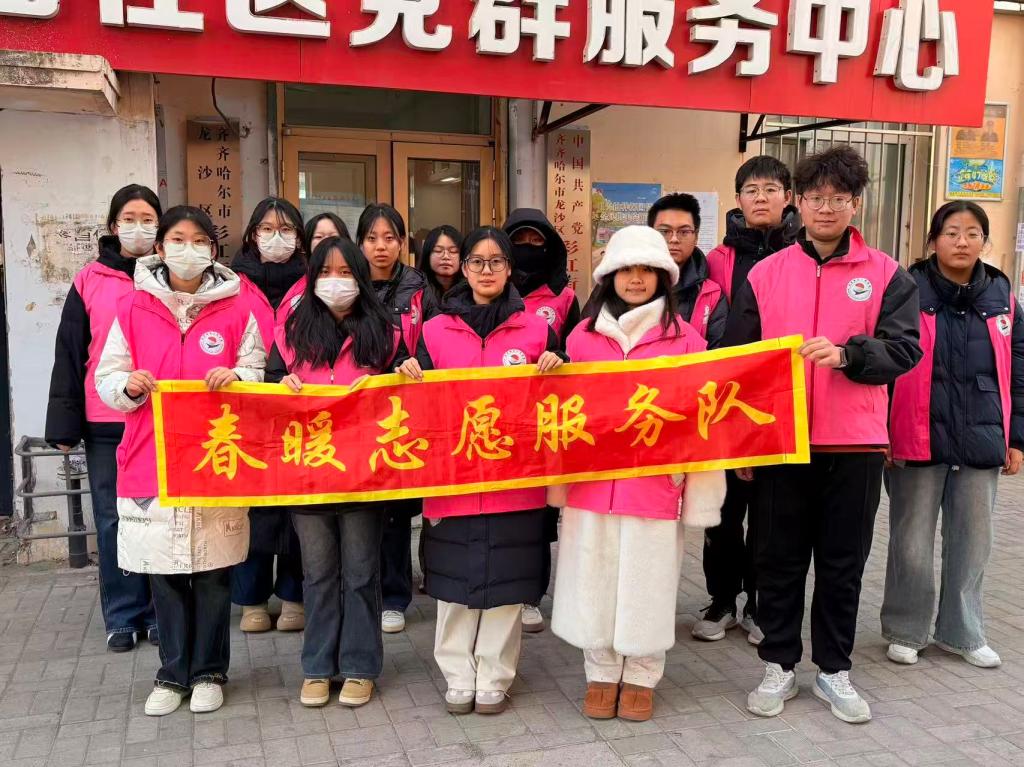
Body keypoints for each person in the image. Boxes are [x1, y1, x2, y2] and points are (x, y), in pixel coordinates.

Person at [724, 146, 921, 724]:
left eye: (838, 198)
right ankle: (778, 664)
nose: (826, 208)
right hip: (781, 443)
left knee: (842, 563)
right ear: (799, 203)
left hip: (855, 445)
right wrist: (743, 443)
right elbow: (739, 362)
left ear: (855, 203)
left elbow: (905, 349)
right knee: (777, 560)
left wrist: (849, 356)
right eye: (816, 198)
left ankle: (834, 669)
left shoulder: (887, 274)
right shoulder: (765, 273)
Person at [95, 206, 266, 716]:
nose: (187, 249)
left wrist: (238, 378)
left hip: (216, 455)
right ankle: (171, 674)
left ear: (212, 250)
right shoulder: (132, 306)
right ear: (160, 247)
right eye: (177, 239)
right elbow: (108, 376)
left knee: (212, 572)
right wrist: (128, 386)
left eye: (198, 240)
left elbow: (258, 369)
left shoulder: (238, 306)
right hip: (152, 456)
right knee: (163, 572)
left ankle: (210, 671)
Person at [551, 225, 725, 723]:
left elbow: (704, 421)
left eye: (647, 269)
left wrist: (697, 488)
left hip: (656, 487)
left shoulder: (687, 340)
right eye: (625, 269)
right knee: (593, 578)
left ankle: (643, 675)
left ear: (663, 277)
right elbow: (561, 413)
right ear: (609, 276)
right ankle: (601, 671)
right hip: (591, 486)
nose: (635, 279)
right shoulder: (580, 338)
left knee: (648, 582)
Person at [396, 226, 565, 715]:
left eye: (496, 261)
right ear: (464, 268)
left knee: (506, 584)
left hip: (516, 481)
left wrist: (560, 362)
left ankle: (494, 674)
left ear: (510, 269)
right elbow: (415, 408)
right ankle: (457, 673)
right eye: (476, 261)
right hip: (453, 480)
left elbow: (564, 399)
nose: (486, 270)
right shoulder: (434, 330)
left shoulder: (537, 330)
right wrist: (407, 375)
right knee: (453, 583)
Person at [882, 202, 1023, 669]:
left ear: (984, 240)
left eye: (972, 233)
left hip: (982, 436)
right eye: (951, 232)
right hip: (915, 432)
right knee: (910, 541)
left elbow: (1019, 368)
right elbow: (885, 363)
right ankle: (906, 629)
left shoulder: (1001, 293)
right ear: (933, 240)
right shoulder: (905, 288)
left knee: (973, 541)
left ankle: (962, 632)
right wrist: (880, 430)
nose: (962, 241)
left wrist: (1017, 438)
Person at [266, 236, 403, 709]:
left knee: (362, 573)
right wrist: (281, 385)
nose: (336, 282)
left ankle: (360, 666)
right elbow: (267, 389)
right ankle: (318, 666)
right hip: (308, 473)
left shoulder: (386, 333)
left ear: (361, 279)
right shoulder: (290, 331)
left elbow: (406, 392)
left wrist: (394, 378)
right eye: (326, 273)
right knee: (319, 574)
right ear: (312, 279)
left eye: (346, 273)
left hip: (365, 476)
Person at [45, 184, 162, 653]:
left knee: (158, 515)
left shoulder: (170, 275)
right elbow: (71, 351)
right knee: (113, 517)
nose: (139, 227)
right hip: (106, 418)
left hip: (159, 416)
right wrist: (63, 424)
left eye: (148, 219)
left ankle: (159, 612)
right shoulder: (89, 279)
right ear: (114, 225)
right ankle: (123, 614)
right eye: (129, 218)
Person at [695, 156, 800, 645]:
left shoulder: (804, 253)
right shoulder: (716, 260)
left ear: (788, 197)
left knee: (772, 514)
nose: (761, 197)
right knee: (722, 509)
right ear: (737, 199)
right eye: (751, 190)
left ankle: (760, 604)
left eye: (771, 189)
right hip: (724, 402)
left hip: (782, 400)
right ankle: (721, 600)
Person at [230, 197, 309, 635]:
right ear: (252, 234)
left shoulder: (316, 281)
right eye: (266, 228)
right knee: (252, 507)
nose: (276, 237)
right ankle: (251, 598)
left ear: (299, 237)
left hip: (300, 409)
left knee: (298, 506)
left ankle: (295, 596)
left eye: (286, 229)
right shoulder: (229, 282)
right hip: (246, 411)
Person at [358, 203, 436, 635]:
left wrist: (413, 361)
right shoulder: (347, 286)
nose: (381, 246)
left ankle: (393, 596)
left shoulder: (421, 291)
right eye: (372, 238)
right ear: (360, 244)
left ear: (403, 243)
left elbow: (435, 339)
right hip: (357, 414)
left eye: (390, 238)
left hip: (404, 413)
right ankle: (360, 592)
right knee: (361, 509)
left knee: (396, 511)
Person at [502, 208, 581, 632]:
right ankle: (503, 588)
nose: (528, 249)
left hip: (545, 423)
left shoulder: (563, 297)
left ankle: (532, 594)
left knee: (540, 515)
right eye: (519, 242)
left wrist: (562, 358)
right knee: (505, 511)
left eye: (537, 242)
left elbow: (577, 351)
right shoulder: (492, 289)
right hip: (496, 422)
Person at [646, 193, 727, 346]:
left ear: (696, 237)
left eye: (684, 232)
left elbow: (716, 353)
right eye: (664, 231)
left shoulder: (712, 295)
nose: (674, 239)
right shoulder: (627, 283)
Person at [416, 225, 465, 304]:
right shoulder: (416, 290)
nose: (446, 256)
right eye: (438, 250)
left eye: (453, 251)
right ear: (428, 255)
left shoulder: (471, 291)